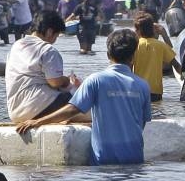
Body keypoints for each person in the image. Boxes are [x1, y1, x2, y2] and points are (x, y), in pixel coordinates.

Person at [16, 29, 152, 166]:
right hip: (135, 159)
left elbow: (71, 110)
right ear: (133, 56)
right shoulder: (143, 86)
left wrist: (37, 121)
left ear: (108, 54)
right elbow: (142, 122)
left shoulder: (96, 80)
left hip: (104, 160)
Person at [5, 11, 80, 123]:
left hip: (16, 112)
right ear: (50, 32)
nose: (55, 40)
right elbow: (55, 82)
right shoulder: (48, 50)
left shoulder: (16, 46)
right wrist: (67, 80)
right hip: (39, 107)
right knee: (82, 99)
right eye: (56, 36)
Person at [131, 12, 181, 101]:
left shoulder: (134, 45)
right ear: (152, 29)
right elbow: (177, 66)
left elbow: (128, 68)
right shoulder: (161, 45)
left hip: (138, 90)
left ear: (138, 30)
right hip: (155, 91)